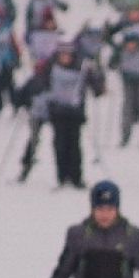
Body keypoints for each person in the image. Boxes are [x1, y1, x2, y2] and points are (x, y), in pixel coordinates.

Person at [44, 40, 105, 188]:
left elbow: (97, 89)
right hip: (57, 112)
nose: (65, 58)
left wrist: (97, 75)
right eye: (62, 54)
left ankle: (76, 177)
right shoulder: (51, 68)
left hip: (75, 113)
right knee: (59, 145)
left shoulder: (82, 69)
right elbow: (41, 84)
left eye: (68, 55)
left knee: (75, 146)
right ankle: (62, 177)